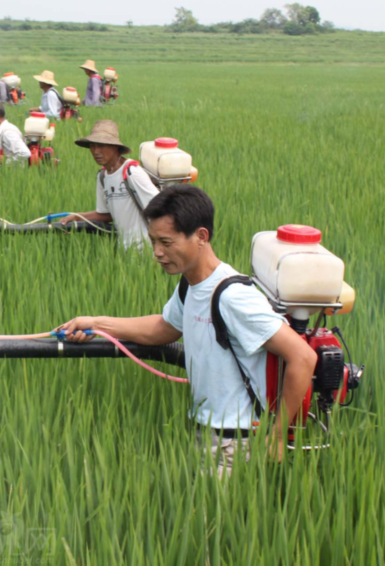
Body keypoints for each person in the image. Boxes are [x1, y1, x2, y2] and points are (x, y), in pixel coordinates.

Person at [58, 185, 318, 477]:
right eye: (153, 241)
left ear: (201, 237)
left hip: (237, 442)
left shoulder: (233, 297)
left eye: (166, 242)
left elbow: (303, 357)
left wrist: (279, 435)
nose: (157, 252)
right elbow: (164, 328)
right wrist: (97, 323)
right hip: (209, 432)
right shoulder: (190, 284)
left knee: (213, 522)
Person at [61, 120, 158, 250]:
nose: (96, 151)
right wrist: (77, 217)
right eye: (93, 146)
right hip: (125, 250)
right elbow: (107, 214)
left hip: (146, 249)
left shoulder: (131, 173)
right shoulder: (102, 176)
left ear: (115, 147)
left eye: (101, 146)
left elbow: (160, 209)